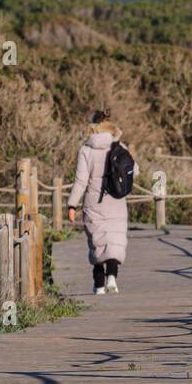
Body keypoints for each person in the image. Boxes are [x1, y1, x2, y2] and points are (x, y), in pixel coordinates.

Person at [66, 110, 137, 295]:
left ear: (92, 126)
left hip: (93, 203)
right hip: (116, 200)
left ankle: (98, 286)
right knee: (115, 242)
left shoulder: (86, 150)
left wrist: (72, 204)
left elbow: (81, 181)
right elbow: (134, 171)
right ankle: (112, 277)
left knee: (97, 243)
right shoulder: (119, 147)